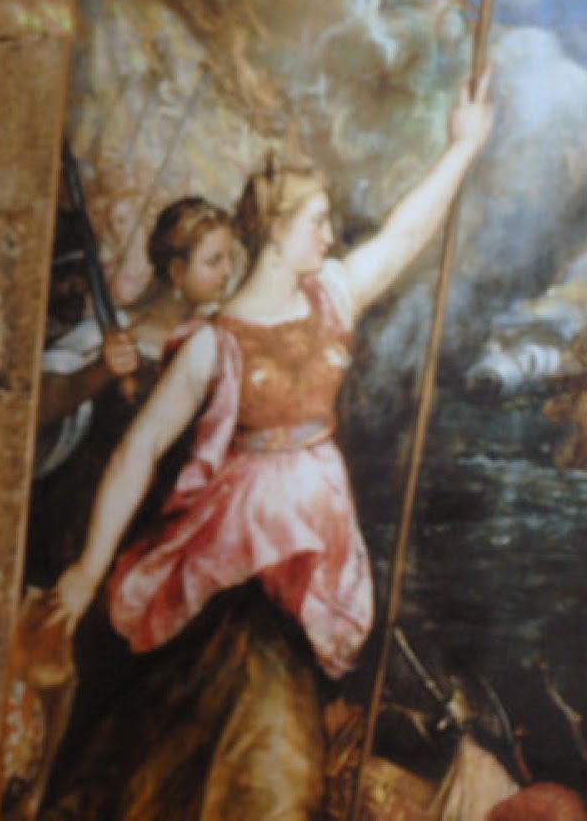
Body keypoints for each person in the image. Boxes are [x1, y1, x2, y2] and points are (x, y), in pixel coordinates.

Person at [38, 70, 494, 818]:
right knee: (236, 738)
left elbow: (406, 236)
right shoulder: (213, 343)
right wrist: (89, 568)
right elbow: (138, 451)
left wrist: (463, 147)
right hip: (236, 554)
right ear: (277, 230)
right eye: (316, 219)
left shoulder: (331, 296)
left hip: (316, 544)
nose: (329, 234)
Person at [0, 197, 236, 817]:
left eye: (229, 259)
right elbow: (31, 407)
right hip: (79, 532)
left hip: (150, 540)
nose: (227, 273)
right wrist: (100, 374)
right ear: (175, 271)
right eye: (213, 261)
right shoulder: (115, 332)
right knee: (45, 686)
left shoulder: (215, 345)